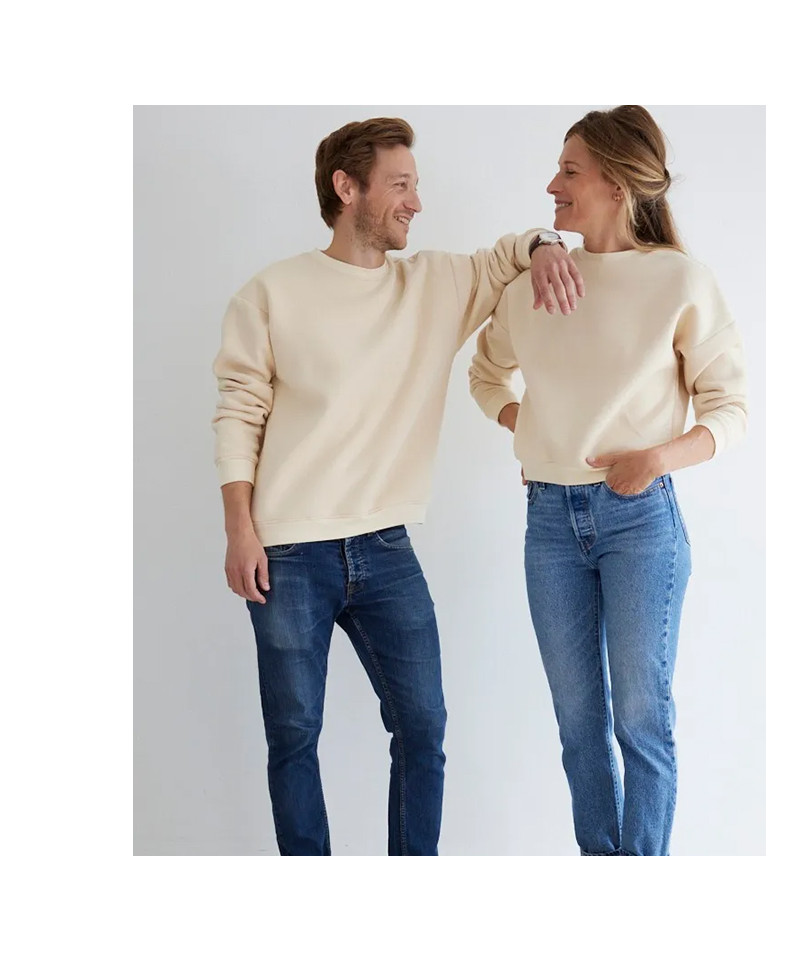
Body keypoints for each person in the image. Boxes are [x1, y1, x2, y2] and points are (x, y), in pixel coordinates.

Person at [212, 116, 584, 856]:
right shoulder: (272, 293)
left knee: (423, 727)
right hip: (288, 549)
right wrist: (240, 530)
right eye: (401, 185)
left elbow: (506, 255)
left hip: (385, 547)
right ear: (346, 188)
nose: (416, 202)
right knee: (294, 735)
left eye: (416, 185)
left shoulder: (432, 285)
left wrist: (547, 244)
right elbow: (239, 410)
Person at [468, 106, 748, 856]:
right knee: (578, 727)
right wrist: (525, 428)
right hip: (548, 524)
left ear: (618, 185)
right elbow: (486, 375)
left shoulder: (680, 280)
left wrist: (655, 459)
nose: (551, 184)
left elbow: (730, 409)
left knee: (641, 721)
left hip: (640, 520)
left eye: (570, 171)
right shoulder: (536, 282)